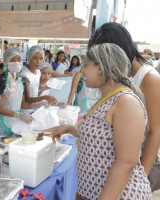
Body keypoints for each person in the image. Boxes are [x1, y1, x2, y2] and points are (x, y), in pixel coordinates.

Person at [46, 43, 152, 199]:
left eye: (86, 65)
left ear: (100, 68)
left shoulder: (126, 102)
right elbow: (101, 135)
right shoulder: (106, 98)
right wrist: (68, 128)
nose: (82, 70)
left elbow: (126, 162)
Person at [88, 22, 160, 178]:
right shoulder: (114, 76)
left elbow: (155, 132)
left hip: (136, 164)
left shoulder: (149, 78)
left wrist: (142, 176)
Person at [0, 48, 42, 140]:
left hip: (16, 123)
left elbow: (22, 103)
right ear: (6, 62)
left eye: (19, 59)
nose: (16, 62)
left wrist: (37, 105)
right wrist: (16, 114)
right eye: (12, 60)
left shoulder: (21, 79)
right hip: (0, 123)